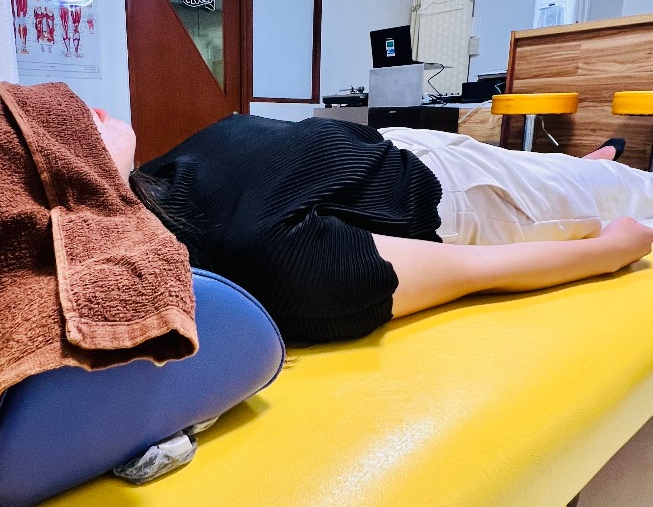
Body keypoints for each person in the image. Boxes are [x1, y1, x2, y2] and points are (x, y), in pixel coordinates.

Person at [90, 110, 653, 345]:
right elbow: (478, 268)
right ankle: (593, 177)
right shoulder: (266, 252)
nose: (78, 106)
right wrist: (609, 251)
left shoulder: (154, 178)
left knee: (570, 171)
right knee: (632, 188)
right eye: (59, 128)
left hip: (408, 150)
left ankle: (581, 168)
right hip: (477, 199)